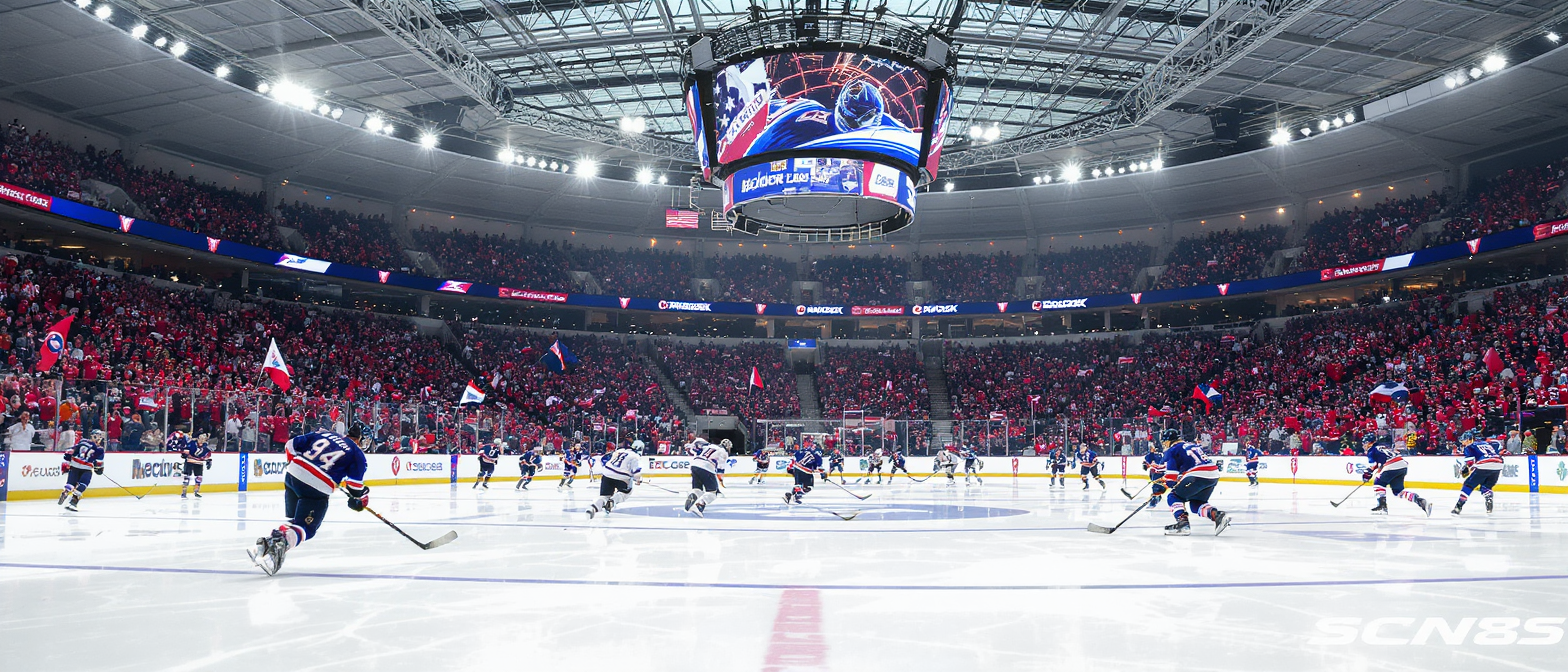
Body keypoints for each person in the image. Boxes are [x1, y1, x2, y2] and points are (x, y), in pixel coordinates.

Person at [248, 423, 370, 576]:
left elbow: (290, 444)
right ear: (361, 439)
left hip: (292, 476)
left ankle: (268, 543)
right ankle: (279, 546)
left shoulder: (326, 434)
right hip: (316, 486)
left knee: (296, 521)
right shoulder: (357, 454)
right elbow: (355, 489)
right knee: (307, 528)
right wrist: (360, 499)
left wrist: (294, 463)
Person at [1153, 429, 1231, 536]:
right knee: (1196, 503)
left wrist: (1162, 487)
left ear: (1168, 441)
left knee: (1174, 496)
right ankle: (1217, 515)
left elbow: (1171, 479)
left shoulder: (1171, 450)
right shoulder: (1191, 445)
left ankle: (1182, 523)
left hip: (1197, 474)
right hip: (1213, 474)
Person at [1362, 432, 1433, 516]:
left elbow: (1373, 465)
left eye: (1365, 442)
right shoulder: (1382, 447)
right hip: (1402, 465)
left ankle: (1382, 506)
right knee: (1398, 491)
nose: (1364, 445)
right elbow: (1381, 462)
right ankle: (1420, 501)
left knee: (1378, 484)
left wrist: (1367, 473)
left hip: (1391, 465)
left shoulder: (1371, 450)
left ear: (1370, 442)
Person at [1452, 430, 1504, 515]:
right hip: (1499, 463)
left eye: (1464, 440)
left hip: (1484, 463)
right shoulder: (1486, 443)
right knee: (1486, 486)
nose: (1463, 443)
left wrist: (1466, 469)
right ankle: (1488, 497)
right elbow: (1498, 445)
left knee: (1468, 485)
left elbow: (1470, 462)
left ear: (1470, 439)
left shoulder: (1469, 447)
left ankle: (1458, 507)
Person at [588, 443, 642, 519]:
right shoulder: (635, 457)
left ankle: (593, 508)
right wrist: (639, 479)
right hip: (621, 476)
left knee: (604, 496)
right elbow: (636, 472)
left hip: (607, 473)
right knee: (626, 492)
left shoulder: (619, 451)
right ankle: (612, 502)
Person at [58, 429, 106, 512]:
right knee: (83, 484)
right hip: (86, 469)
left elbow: (70, 452)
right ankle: (73, 502)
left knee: (71, 483)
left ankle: (66, 492)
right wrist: (98, 469)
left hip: (74, 466)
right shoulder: (99, 449)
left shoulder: (83, 441)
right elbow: (99, 465)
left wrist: (68, 460)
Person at [684, 434, 729, 517]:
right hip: (707, 467)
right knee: (712, 492)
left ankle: (692, 497)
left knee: (697, 489)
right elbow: (720, 468)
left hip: (695, 465)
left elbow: (695, 450)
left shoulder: (710, 446)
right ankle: (699, 505)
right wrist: (721, 480)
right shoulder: (723, 452)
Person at [785, 441, 823, 505]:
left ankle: (792, 495)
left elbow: (796, 456)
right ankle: (796, 496)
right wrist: (822, 473)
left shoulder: (803, 451)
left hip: (797, 468)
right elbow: (819, 465)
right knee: (808, 487)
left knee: (799, 485)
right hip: (805, 471)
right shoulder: (817, 454)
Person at [180, 433, 213, 499]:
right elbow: (185, 451)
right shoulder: (192, 443)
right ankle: (184, 492)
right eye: (201, 437)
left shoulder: (205, 447)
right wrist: (185, 454)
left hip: (199, 463)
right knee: (187, 477)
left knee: (199, 477)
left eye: (203, 438)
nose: (202, 439)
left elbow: (207, 455)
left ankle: (196, 491)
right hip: (190, 462)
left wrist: (208, 461)